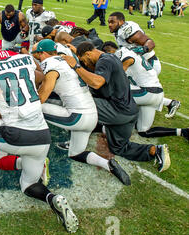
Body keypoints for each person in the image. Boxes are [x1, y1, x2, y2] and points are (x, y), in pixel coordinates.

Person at [0, 47, 79, 233]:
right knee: (28, 184)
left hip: (15, 136)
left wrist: (1, 113)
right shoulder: (23, 60)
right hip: (43, 137)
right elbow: (41, 76)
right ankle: (53, 198)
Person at [32, 40, 131, 185]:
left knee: (33, 108)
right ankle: (108, 164)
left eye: (37, 56)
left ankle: (34, 156)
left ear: (43, 53)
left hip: (76, 117)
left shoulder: (50, 64)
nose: (38, 59)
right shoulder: (67, 60)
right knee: (76, 153)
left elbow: (42, 96)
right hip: (92, 116)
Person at [62, 41, 171, 173]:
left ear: (88, 53)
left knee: (81, 103)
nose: (85, 64)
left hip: (117, 110)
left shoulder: (104, 61)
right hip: (129, 113)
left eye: (84, 60)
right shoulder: (109, 57)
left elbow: (96, 83)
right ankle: (154, 150)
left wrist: (76, 66)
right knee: (119, 148)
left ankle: (74, 140)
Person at [102, 42, 188, 141]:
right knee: (144, 131)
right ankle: (183, 132)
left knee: (113, 93)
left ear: (109, 52)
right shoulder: (126, 52)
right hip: (156, 94)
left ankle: (108, 125)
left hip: (146, 92)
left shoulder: (124, 56)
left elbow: (117, 78)